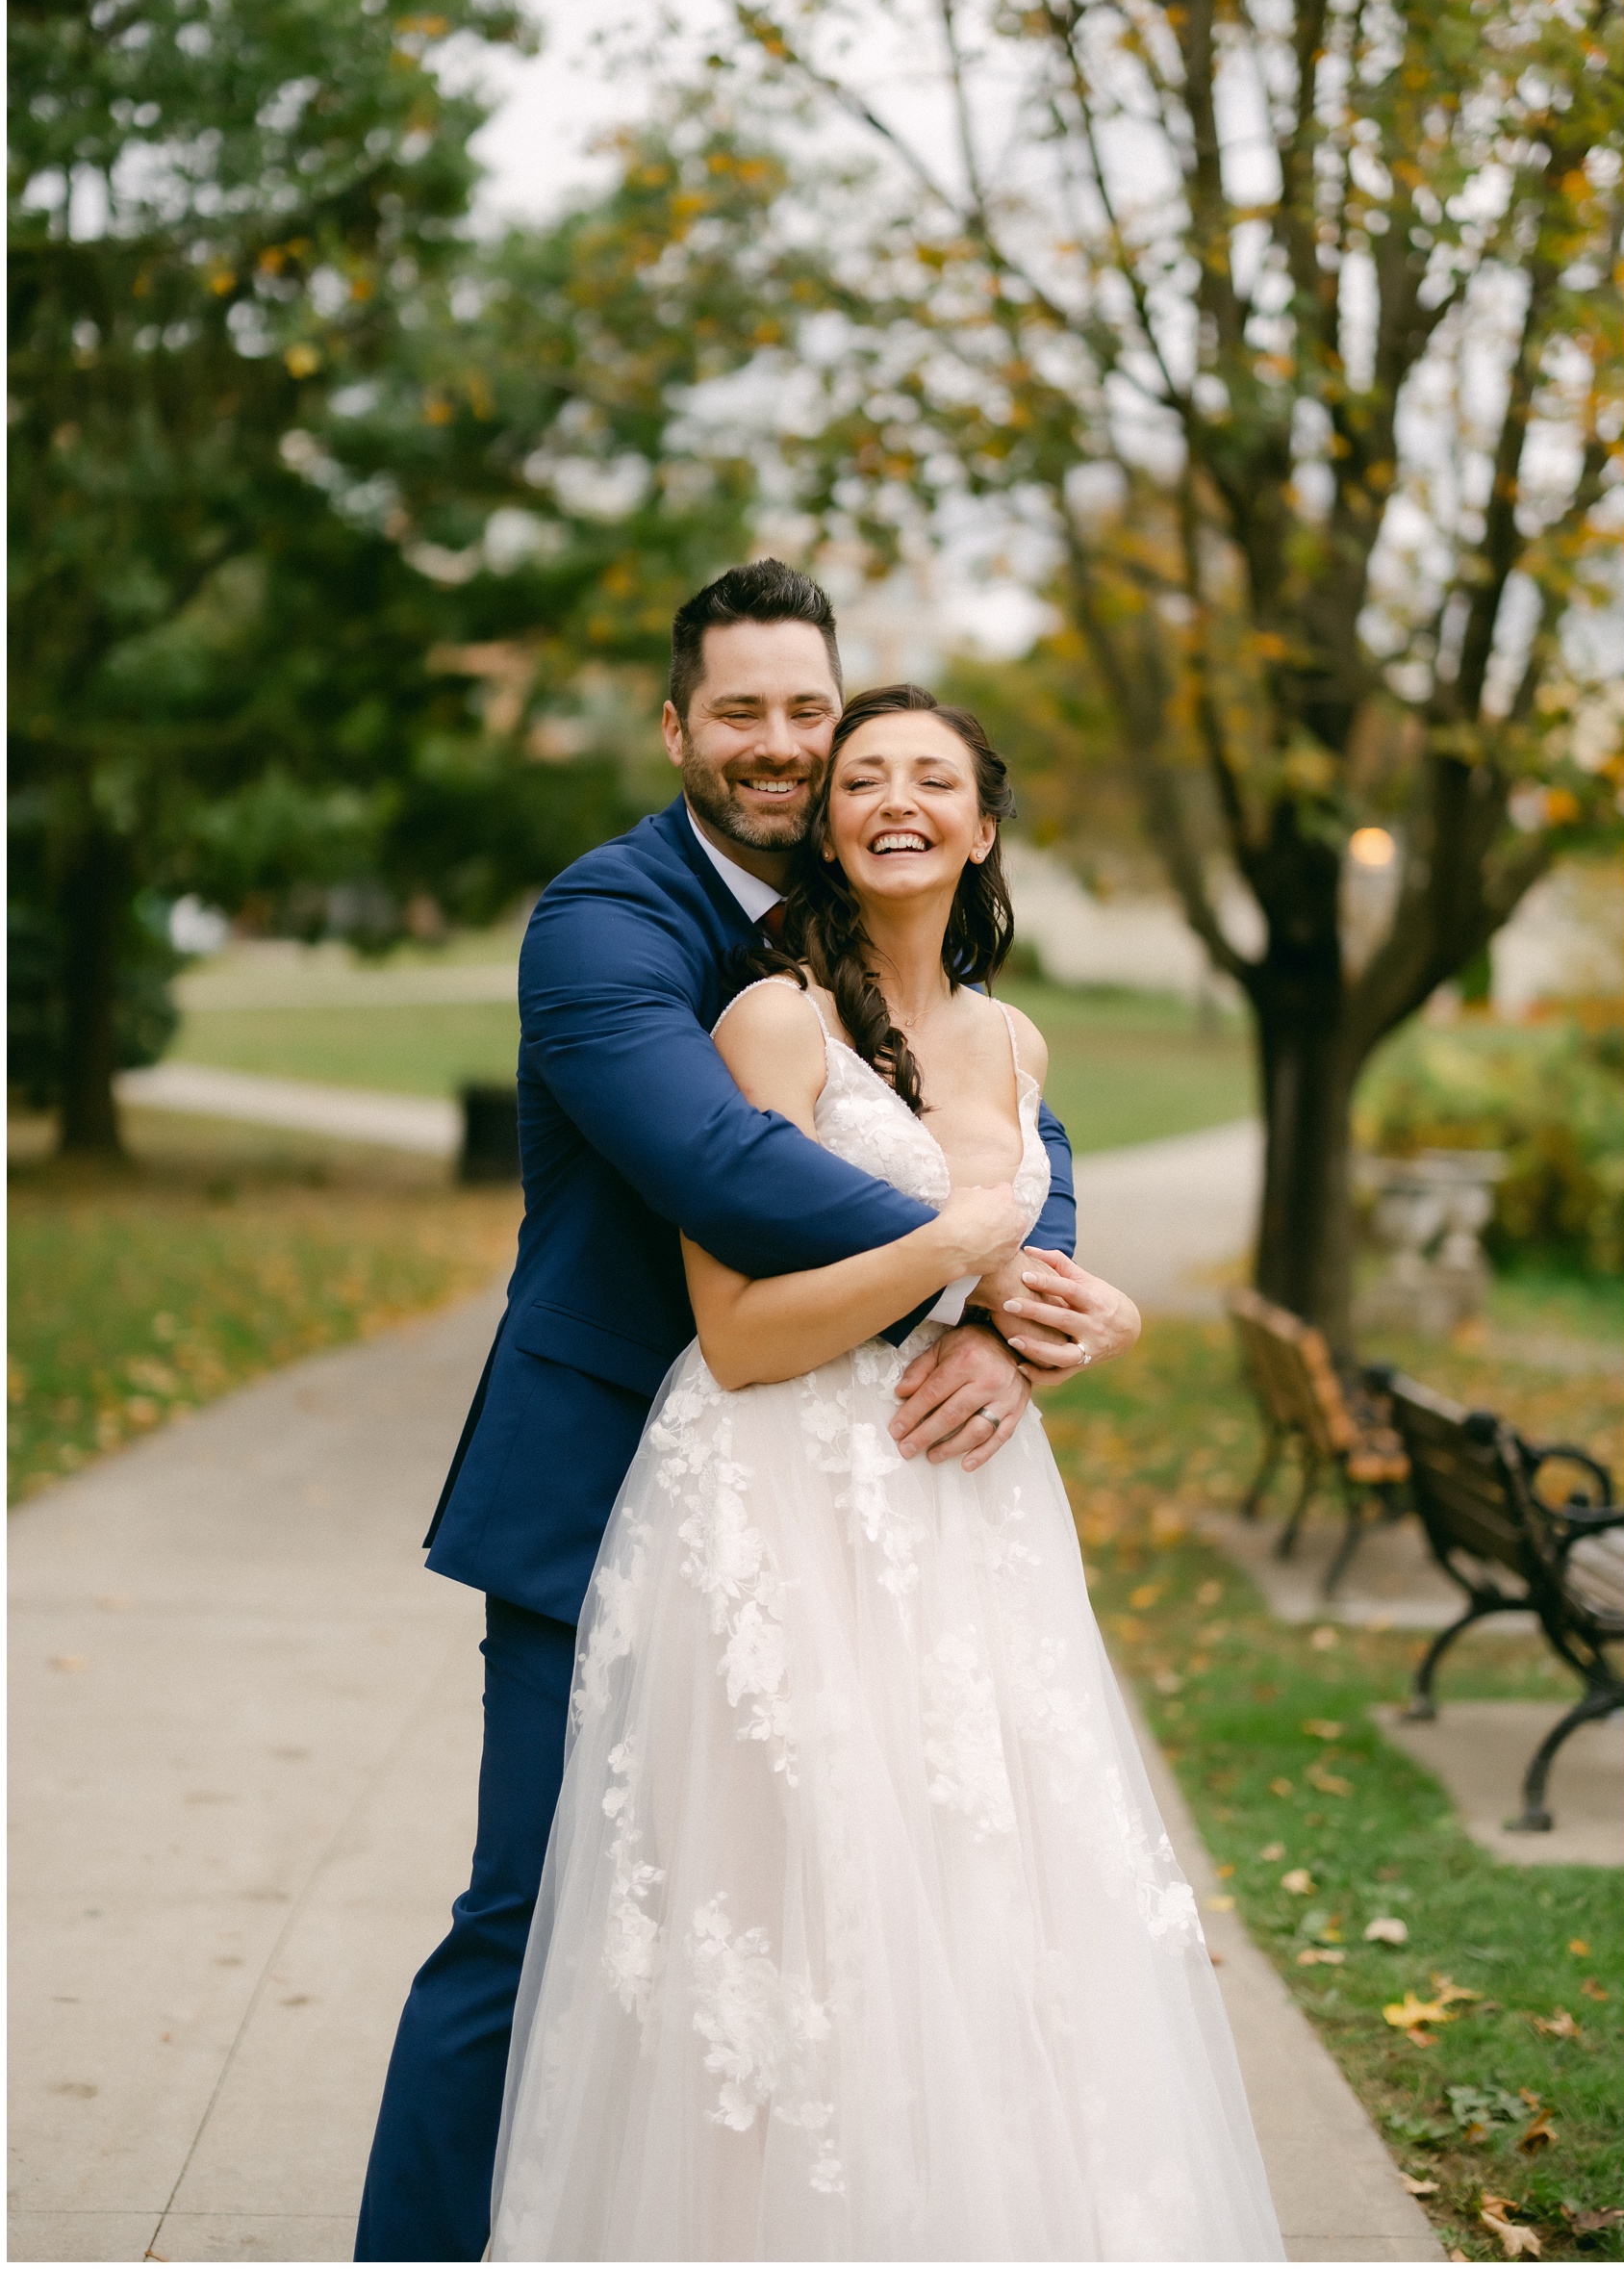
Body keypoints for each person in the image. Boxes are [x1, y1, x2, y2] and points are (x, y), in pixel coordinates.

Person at [355, 563, 1120, 2262]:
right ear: (677, 726)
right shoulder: (609, 921)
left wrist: (1019, 1308)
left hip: (847, 1521)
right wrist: (972, 1276)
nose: (782, 749)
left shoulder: (877, 924)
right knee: (544, 1918)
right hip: (617, 1467)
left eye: (809, 713)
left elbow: (1018, 1147)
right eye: (743, 714)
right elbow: (718, 1165)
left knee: (813, 1942)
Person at [487, 686, 1282, 2259]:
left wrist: (1033, 1332)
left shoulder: (1015, 1036)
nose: (895, 797)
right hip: (782, 1514)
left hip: (969, 1522)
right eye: (865, 778)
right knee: (801, 1941)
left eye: (936, 777)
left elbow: (1017, 1263)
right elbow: (735, 1335)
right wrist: (957, 1258)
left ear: (984, 827)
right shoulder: (775, 1023)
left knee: (991, 1921)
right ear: (833, 828)